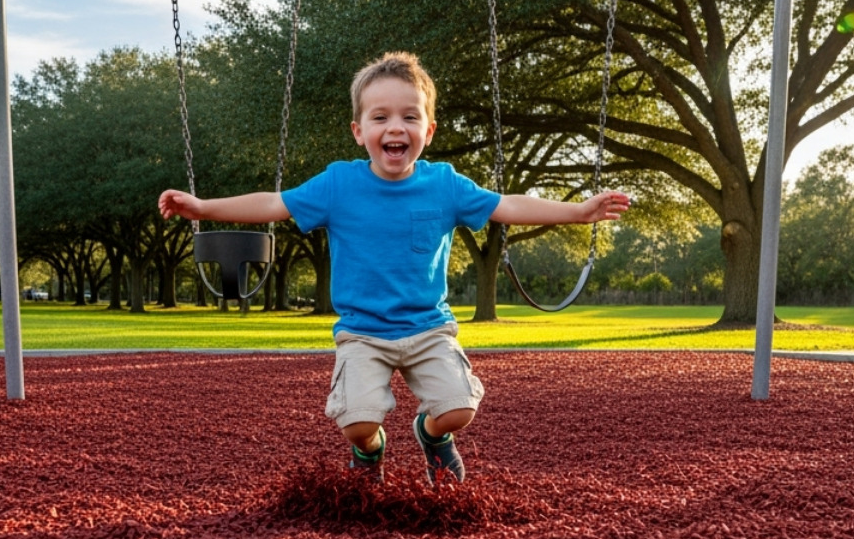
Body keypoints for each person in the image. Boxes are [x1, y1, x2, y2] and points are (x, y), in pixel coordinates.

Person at [158, 51, 629, 484]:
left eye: (409, 116)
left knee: (459, 408)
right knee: (357, 423)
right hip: (363, 332)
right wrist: (204, 208)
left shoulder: (445, 184)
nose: (395, 127)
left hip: (429, 328)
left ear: (429, 130)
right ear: (359, 131)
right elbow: (274, 203)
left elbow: (508, 205)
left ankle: (432, 434)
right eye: (380, 117)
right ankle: (371, 452)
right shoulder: (338, 183)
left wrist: (578, 211)